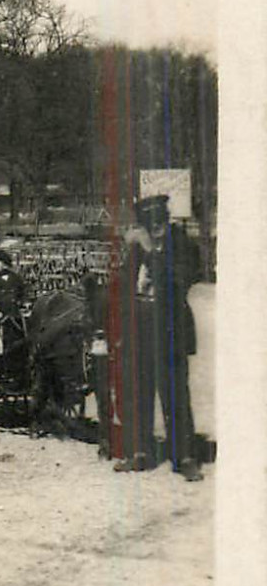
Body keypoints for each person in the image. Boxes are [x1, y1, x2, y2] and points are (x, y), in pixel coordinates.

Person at [120, 195, 205, 481]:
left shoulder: (181, 243)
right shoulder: (137, 245)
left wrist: (149, 251)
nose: (153, 231)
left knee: (175, 394)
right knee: (138, 392)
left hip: (170, 329)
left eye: (157, 225)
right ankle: (140, 453)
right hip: (140, 329)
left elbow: (180, 281)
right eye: (148, 225)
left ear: (165, 220)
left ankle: (185, 457)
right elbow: (123, 285)